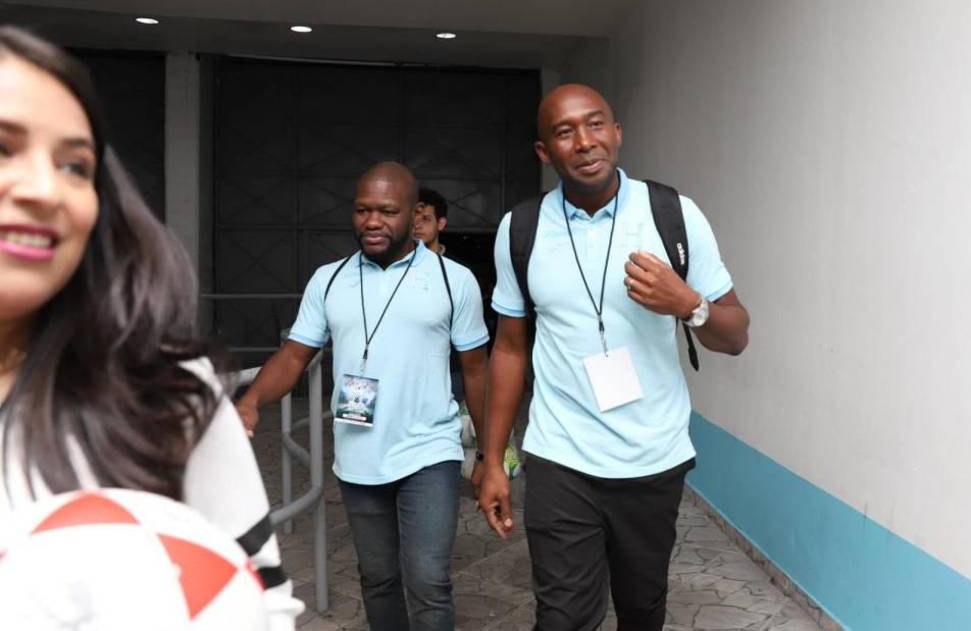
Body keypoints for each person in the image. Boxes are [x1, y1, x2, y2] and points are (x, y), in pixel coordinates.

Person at [0, 26, 302, 627]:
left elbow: (263, 598)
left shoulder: (163, 389)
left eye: (74, 165)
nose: (44, 190)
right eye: (3, 148)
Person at [477, 84, 751, 629]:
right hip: (561, 456)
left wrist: (687, 304)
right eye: (564, 131)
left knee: (641, 609)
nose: (584, 141)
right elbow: (509, 348)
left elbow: (736, 333)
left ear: (617, 133)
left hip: (653, 457)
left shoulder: (673, 214)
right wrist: (493, 460)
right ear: (544, 152)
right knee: (562, 617)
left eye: (596, 124)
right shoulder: (522, 229)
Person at [236, 162, 489, 631]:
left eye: (387, 211)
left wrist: (491, 456)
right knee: (377, 579)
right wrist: (251, 400)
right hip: (357, 455)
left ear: (414, 215)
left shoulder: (454, 281)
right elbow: (293, 357)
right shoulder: (328, 280)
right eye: (362, 210)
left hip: (429, 451)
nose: (373, 221)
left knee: (430, 583)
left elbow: (476, 369)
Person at [414, 186, 448, 255]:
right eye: (411, 219)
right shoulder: (393, 263)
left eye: (426, 219)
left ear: (441, 224)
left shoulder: (454, 265)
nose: (416, 226)